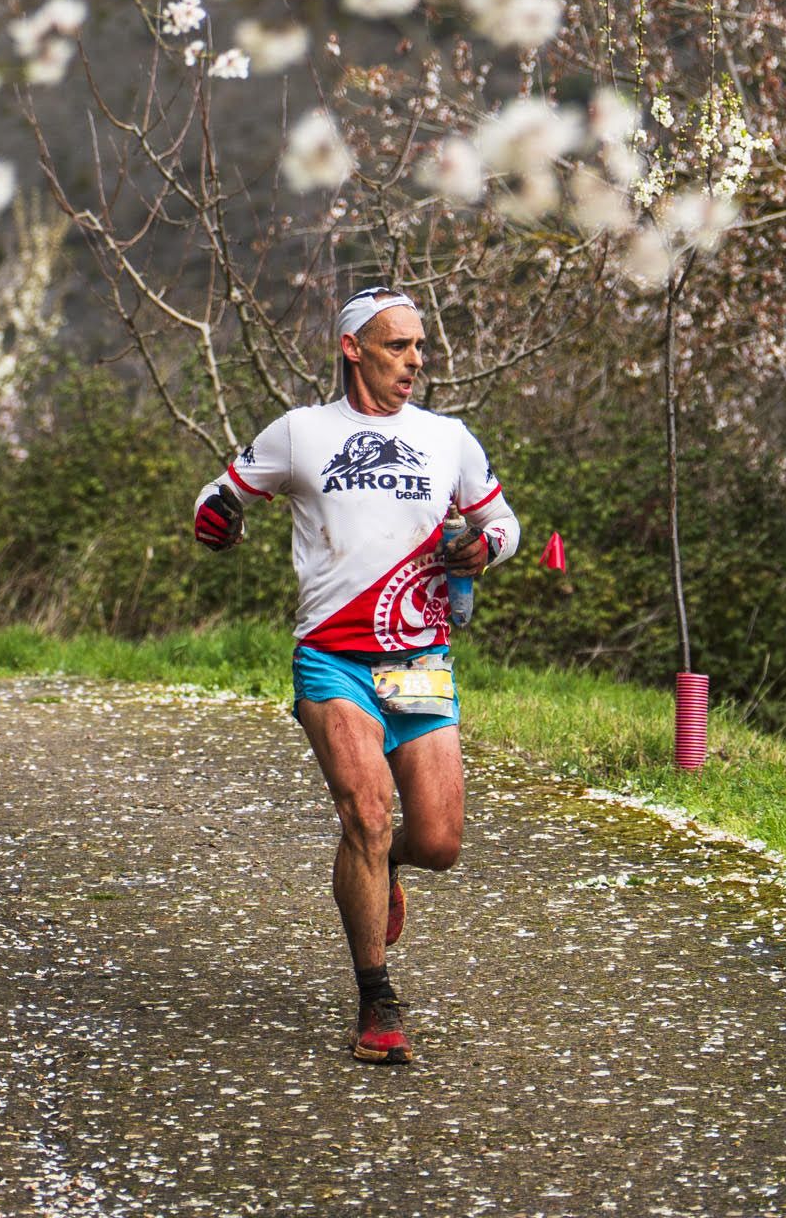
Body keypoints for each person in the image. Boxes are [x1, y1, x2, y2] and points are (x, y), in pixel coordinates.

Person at [189, 285, 518, 1064]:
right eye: (398, 345)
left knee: (437, 841)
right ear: (352, 349)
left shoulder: (448, 438)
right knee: (366, 814)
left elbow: (501, 521)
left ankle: (388, 869)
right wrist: (215, 520)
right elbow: (221, 492)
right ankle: (377, 998)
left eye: (420, 347)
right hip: (332, 658)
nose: (416, 361)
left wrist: (485, 549)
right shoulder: (302, 434)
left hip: (421, 660)